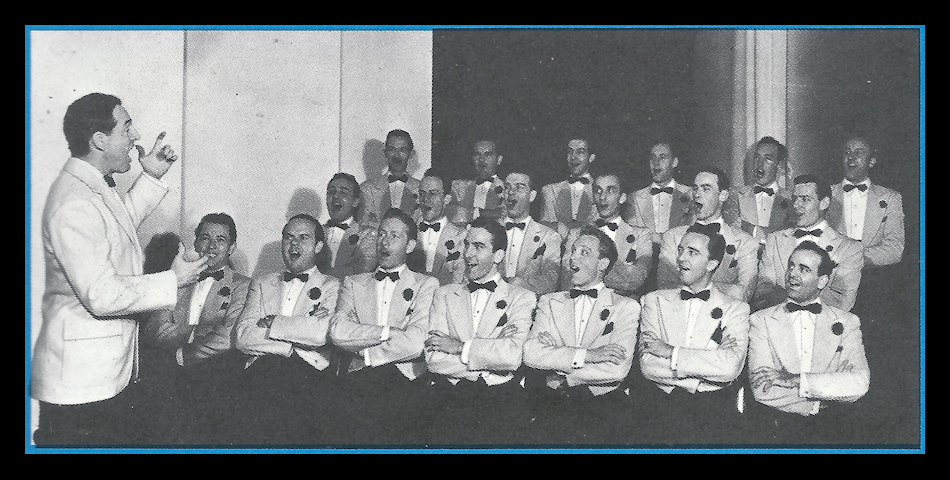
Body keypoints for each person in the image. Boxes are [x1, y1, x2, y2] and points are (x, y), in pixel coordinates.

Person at [31, 93, 209, 446]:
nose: (137, 136)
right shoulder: (75, 202)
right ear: (99, 140)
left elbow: (115, 227)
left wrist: (151, 177)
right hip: (83, 389)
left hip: (99, 379)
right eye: (127, 127)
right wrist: (174, 281)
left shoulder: (89, 186)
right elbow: (102, 295)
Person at [328, 208, 439, 445]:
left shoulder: (426, 284)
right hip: (358, 382)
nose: (384, 242)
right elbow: (338, 331)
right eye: (381, 234)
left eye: (394, 236)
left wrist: (365, 351)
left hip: (404, 382)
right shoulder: (353, 282)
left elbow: (416, 342)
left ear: (410, 246)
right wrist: (388, 332)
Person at [424, 216, 538, 445]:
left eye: (478, 246)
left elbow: (512, 356)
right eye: (466, 245)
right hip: (450, 397)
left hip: (499, 401)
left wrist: (459, 347)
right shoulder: (444, 294)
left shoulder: (521, 297)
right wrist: (489, 361)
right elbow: (434, 358)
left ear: (498, 255)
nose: (468, 254)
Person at [141, 213, 251, 445]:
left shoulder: (243, 285)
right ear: (196, 243)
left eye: (220, 240)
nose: (211, 246)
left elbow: (227, 335)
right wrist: (189, 335)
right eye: (205, 238)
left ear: (232, 247)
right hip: (171, 372)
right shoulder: (178, 280)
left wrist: (183, 353)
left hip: (215, 376)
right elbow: (154, 327)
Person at [523, 227, 640, 445]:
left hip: (601, 409)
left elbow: (616, 368)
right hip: (552, 407)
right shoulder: (550, 301)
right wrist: (588, 355)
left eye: (584, 252)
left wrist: (561, 370)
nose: (572, 258)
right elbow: (531, 353)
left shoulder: (626, 307)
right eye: (573, 251)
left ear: (603, 263)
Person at [233, 214, 341, 445]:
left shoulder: (331, 285)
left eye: (303, 237)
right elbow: (243, 337)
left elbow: (321, 333)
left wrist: (273, 322)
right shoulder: (262, 283)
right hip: (260, 372)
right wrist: (293, 341)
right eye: (289, 237)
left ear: (318, 246)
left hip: (308, 376)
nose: (294, 244)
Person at [747, 241, 870, 444]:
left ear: (822, 281)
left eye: (803, 269)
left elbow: (859, 383)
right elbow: (762, 389)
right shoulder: (761, 320)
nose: (792, 274)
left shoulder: (847, 322)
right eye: (791, 266)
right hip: (776, 429)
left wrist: (796, 380)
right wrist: (823, 397)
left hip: (832, 432)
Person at [639, 225, 751, 445]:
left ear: (712, 264)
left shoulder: (735, 308)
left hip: (713, 412)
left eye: (692, 252)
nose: (680, 258)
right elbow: (649, 365)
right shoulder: (654, 301)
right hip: (661, 409)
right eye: (680, 250)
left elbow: (729, 368)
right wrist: (709, 360)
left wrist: (671, 352)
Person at [754, 175, 864, 312]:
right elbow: (762, 292)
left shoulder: (849, 248)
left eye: (804, 199)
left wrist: (785, 293)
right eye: (794, 199)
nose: (795, 205)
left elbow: (842, 302)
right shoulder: (774, 239)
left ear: (824, 203)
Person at [657, 167, 759, 303]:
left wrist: (693, 285)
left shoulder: (745, 242)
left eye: (706, 189)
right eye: (695, 189)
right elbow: (665, 287)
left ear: (723, 195)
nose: (697, 195)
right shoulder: (672, 237)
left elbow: (744, 293)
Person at [560, 171, 654, 298]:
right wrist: (623, 273)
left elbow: (636, 279)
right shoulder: (576, 234)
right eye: (598, 191)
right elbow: (568, 278)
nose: (602, 197)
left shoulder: (641, 235)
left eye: (610, 191)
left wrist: (587, 272)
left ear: (622, 197)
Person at [827, 137, 905, 268]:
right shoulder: (826, 194)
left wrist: (853, 259)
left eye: (858, 152)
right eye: (847, 152)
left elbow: (895, 249)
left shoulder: (891, 198)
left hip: (873, 280)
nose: (851, 157)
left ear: (872, 161)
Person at [499, 170, 562, 296]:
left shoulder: (549, 237)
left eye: (519, 187)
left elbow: (550, 280)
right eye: (507, 187)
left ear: (532, 196)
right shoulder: (488, 230)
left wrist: (521, 286)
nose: (511, 192)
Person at [622, 142, 692, 241]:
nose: (656, 163)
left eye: (662, 157)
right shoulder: (634, 198)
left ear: (674, 162)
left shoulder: (690, 194)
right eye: (652, 158)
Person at [732, 137, 796, 243]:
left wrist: (752, 229)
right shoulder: (737, 195)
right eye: (756, 157)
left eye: (767, 158)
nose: (759, 164)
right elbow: (732, 228)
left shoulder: (792, 199)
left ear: (779, 165)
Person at [412, 169, 467, 285]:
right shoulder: (408, 232)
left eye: (432, 193)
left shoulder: (461, 237)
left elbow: (458, 283)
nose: (425, 199)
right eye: (421, 194)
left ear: (447, 199)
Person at [359, 129, 421, 228]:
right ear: (385, 152)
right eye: (392, 149)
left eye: (402, 150)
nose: (396, 155)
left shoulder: (421, 190)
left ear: (411, 154)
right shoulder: (366, 189)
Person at [539, 138, 598, 239]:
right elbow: (545, 228)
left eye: (580, 152)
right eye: (570, 152)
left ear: (591, 157)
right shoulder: (550, 190)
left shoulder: (600, 191)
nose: (573, 157)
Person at [324, 172, 378, 280]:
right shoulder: (314, 232)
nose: (335, 196)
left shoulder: (368, 234)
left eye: (343, 193)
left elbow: (360, 270)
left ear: (355, 202)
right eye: (331, 192)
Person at [448, 139, 507, 223]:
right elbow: (451, 213)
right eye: (477, 155)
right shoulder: (459, 187)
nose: (481, 160)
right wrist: (483, 213)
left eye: (488, 155)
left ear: (499, 160)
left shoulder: (507, 189)